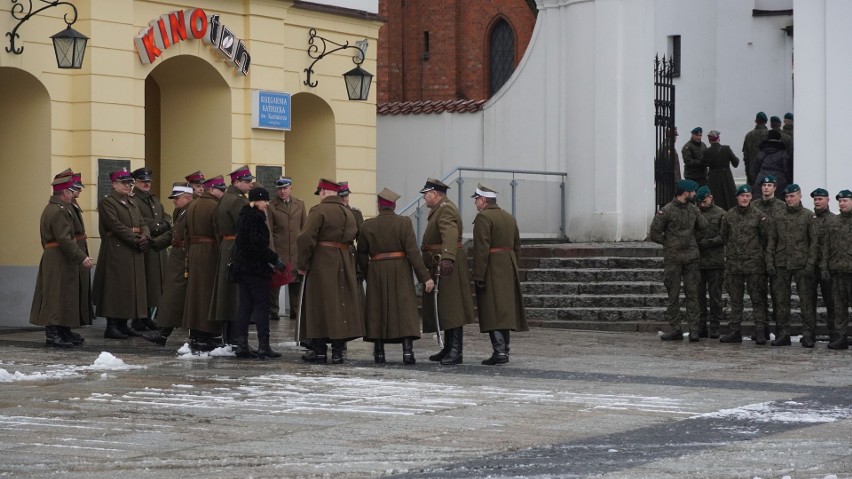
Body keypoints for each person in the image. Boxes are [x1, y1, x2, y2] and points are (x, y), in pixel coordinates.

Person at [356, 188, 434, 364]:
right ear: (394, 205)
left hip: (376, 269)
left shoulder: (368, 225)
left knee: (377, 311)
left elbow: (361, 254)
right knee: (404, 311)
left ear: (379, 206)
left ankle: (379, 352)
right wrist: (425, 277)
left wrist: (369, 273)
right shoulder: (404, 223)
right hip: (400, 270)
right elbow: (413, 253)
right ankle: (407, 352)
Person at [296, 178, 365, 364]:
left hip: (322, 261)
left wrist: (302, 264)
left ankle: (319, 351)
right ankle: (337, 351)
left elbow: (305, 239)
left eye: (320, 193)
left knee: (318, 305)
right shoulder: (349, 213)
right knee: (340, 306)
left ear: (324, 192)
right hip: (344, 261)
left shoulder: (318, 211)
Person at [30, 176, 95, 347]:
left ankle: (63, 330)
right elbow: (64, 239)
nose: (74, 195)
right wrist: (81, 257)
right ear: (65, 192)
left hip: (60, 257)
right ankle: (52, 333)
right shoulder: (58, 210)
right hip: (58, 257)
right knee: (55, 295)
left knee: (65, 294)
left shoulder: (58, 208)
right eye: (72, 192)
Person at [471, 183, 528, 365]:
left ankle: (499, 351)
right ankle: (505, 350)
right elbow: (517, 247)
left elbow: (481, 249)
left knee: (492, 310)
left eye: (476, 199)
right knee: (504, 311)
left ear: (483, 200)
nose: (475, 203)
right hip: (508, 266)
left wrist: (478, 275)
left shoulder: (483, 218)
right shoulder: (509, 217)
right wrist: (512, 266)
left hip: (491, 267)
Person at [419, 178, 475, 364]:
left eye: (426, 194)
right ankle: (448, 348)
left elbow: (449, 233)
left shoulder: (445, 209)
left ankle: (456, 351)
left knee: (452, 308)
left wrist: (448, 257)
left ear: (434, 194)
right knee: (445, 307)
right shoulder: (440, 209)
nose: (425, 198)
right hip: (440, 263)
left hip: (446, 265)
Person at [92, 168, 149, 339]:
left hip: (133, 249)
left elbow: (142, 222)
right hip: (117, 249)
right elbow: (115, 225)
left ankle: (124, 324)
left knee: (130, 288)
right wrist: (136, 238)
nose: (128, 186)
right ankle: (112, 325)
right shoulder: (108, 202)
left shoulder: (131, 202)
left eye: (129, 183)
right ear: (114, 184)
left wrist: (145, 235)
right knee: (115, 288)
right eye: (124, 183)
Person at [649, 179, 707, 341]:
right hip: (673, 259)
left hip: (691, 259)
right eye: (693, 192)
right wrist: (669, 243)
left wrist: (693, 242)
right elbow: (654, 233)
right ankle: (676, 328)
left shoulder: (694, 210)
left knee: (693, 294)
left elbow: (704, 227)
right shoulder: (666, 211)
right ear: (685, 193)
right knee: (673, 295)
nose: (695, 194)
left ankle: (694, 329)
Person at [231, 187, 284, 359]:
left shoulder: (243, 216)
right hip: (255, 270)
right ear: (256, 201)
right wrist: (275, 259)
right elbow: (259, 247)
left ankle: (242, 345)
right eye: (265, 201)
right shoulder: (256, 218)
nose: (267, 204)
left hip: (242, 269)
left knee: (245, 306)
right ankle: (264, 346)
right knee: (262, 307)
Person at [719, 185, 774, 344]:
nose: (745, 198)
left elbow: (766, 238)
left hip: (754, 265)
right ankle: (735, 331)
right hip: (735, 265)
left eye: (748, 195)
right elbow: (724, 236)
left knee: (757, 299)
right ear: (737, 197)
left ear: (751, 197)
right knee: (735, 300)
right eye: (742, 195)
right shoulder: (729, 215)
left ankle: (760, 331)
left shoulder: (759, 216)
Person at [143, 182, 194, 346]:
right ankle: (163, 332)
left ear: (188, 197)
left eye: (177, 198)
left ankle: (164, 332)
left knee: (175, 297)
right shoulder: (181, 211)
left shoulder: (192, 211)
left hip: (186, 258)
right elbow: (173, 234)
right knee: (172, 296)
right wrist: (155, 243)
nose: (174, 201)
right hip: (178, 258)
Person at [770, 184, 818, 347]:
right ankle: (783, 334)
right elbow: (772, 241)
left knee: (806, 301)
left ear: (800, 196)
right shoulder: (778, 215)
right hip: (782, 262)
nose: (789, 199)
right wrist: (770, 261)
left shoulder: (808, 216)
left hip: (801, 264)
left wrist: (810, 264)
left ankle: (808, 334)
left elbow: (814, 243)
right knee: (781, 300)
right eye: (787, 196)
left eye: (793, 196)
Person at [210, 165, 254, 341]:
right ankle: (237, 339)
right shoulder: (237, 201)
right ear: (237, 182)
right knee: (237, 295)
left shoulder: (225, 198)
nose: (250, 184)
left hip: (227, 245)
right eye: (247, 181)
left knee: (228, 294)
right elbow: (246, 227)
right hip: (237, 247)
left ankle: (229, 337)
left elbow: (215, 226)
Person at [182, 176, 226, 351]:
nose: (222, 193)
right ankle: (208, 333)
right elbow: (218, 231)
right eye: (220, 189)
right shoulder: (215, 206)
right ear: (212, 189)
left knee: (194, 294)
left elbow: (185, 232)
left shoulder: (192, 205)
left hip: (194, 251)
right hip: (210, 252)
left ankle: (195, 334)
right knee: (208, 294)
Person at [131, 167, 173, 332]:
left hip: (157, 245)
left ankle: (148, 317)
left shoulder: (153, 199)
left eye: (148, 181)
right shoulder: (134, 199)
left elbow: (166, 216)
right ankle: (139, 318)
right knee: (145, 283)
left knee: (156, 283)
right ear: (136, 182)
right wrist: (159, 225)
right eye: (143, 181)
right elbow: (140, 220)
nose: (146, 184)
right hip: (145, 245)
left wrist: (165, 223)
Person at [752, 175, 786, 339]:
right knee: (758, 294)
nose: (766, 188)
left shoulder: (782, 207)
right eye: (764, 185)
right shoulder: (754, 206)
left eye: (769, 185)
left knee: (778, 295)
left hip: (776, 256)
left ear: (775, 188)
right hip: (758, 255)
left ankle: (781, 330)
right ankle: (761, 329)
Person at [268, 176, 306, 321]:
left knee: (296, 283)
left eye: (285, 188)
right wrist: (272, 252)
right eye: (280, 189)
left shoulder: (300, 204)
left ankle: (296, 310)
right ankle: (273, 311)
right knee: (276, 283)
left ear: (291, 188)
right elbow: (269, 231)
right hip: (280, 249)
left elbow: (304, 228)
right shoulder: (272, 206)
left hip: (296, 250)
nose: (282, 191)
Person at [820, 189, 852, 350]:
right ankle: (840, 336)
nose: (842, 204)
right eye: (840, 201)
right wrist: (824, 267)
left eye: (845, 200)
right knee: (839, 308)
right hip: (837, 271)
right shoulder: (834, 222)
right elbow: (826, 247)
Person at [695, 186, 725, 339]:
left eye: (704, 201)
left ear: (711, 197)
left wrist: (709, 242)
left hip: (715, 261)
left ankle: (715, 325)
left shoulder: (720, 214)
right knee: (699, 295)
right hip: (699, 261)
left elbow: (724, 236)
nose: (701, 204)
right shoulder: (695, 213)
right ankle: (701, 324)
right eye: (699, 202)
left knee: (715, 295)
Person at [811, 188, 836, 340]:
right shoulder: (810, 218)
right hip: (811, 266)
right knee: (809, 302)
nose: (817, 202)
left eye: (820, 199)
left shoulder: (834, 220)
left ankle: (833, 332)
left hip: (828, 267)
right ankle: (810, 332)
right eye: (815, 199)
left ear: (827, 200)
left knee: (831, 301)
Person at [704, 130, 740, 211]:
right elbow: (736, 163)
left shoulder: (706, 151)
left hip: (713, 178)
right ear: (718, 138)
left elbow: (704, 164)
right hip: (726, 177)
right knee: (729, 199)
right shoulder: (726, 149)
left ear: (709, 140)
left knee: (715, 199)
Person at [752, 130, 792, 196]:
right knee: (778, 203)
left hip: (761, 180)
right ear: (779, 139)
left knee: (759, 203)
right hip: (779, 182)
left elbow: (756, 168)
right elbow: (787, 170)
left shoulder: (761, 152)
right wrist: (789, 181)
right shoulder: (783, 153)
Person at [655, 127, 681, 208]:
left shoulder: (668, 146)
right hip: (666, 182)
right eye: (675, 136)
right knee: (667, 205)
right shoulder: (667, 147)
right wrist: (676, 180)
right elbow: (669, 165)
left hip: (667, 181)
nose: (676, 138)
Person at [742, 112, 769, 187]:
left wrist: (747, 170)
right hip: (766, 169)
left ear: (756, 121)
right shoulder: (769, 134)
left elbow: (745, 155)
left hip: (752, 169)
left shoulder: (749, 135)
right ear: (766, 122)